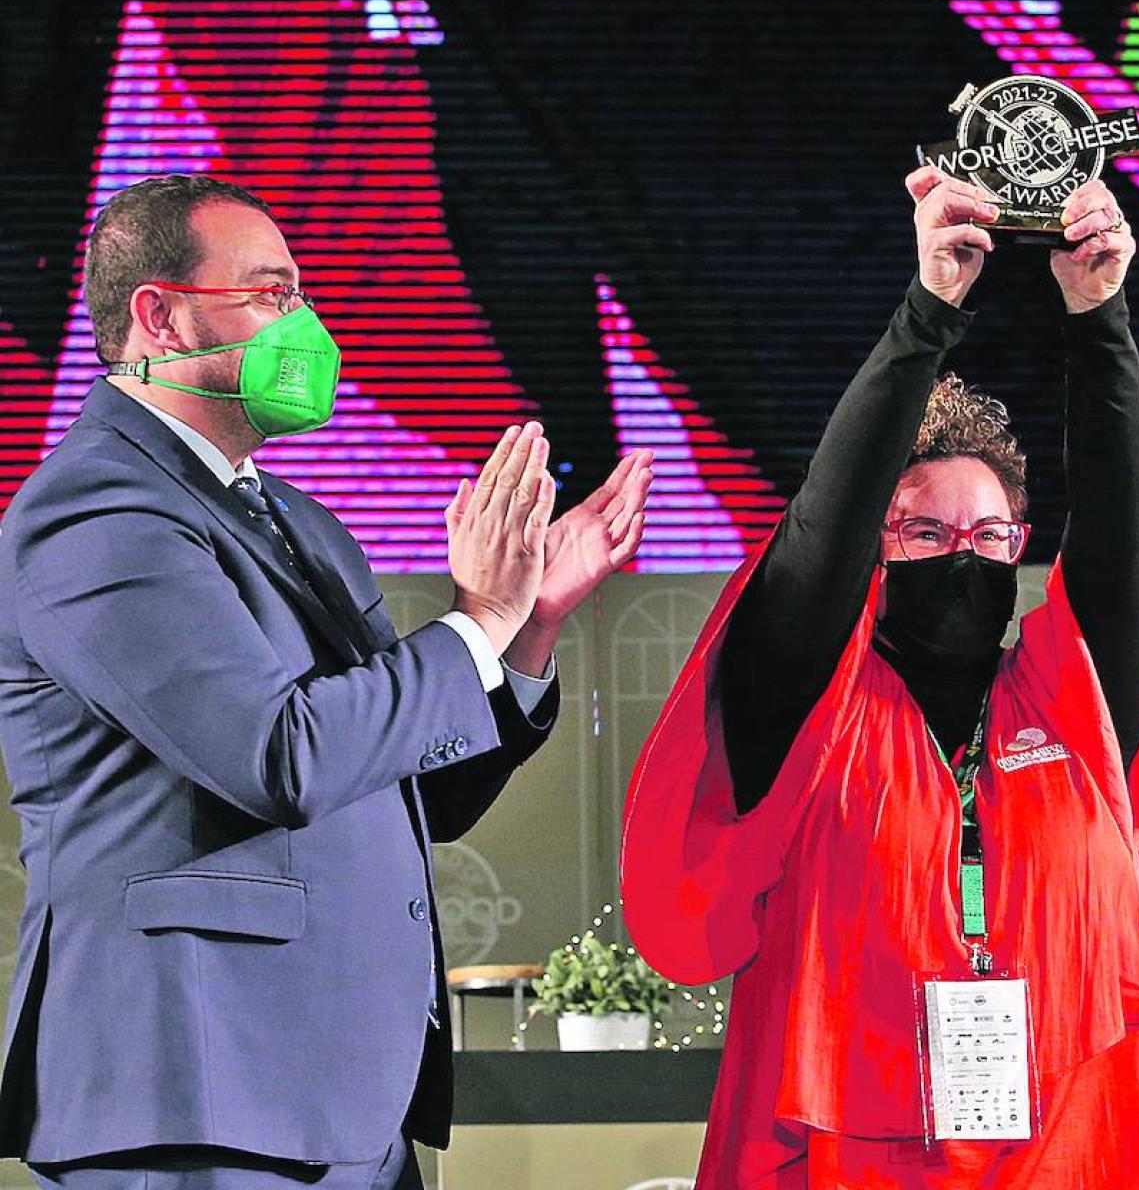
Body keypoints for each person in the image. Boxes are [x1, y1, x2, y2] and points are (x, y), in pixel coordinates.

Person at [0, 174, 653, 1188]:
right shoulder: (95, 510)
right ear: (159, 314)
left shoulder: (302, 522)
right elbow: (279, 757)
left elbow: (418, 791)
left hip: (340, 1102)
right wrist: (476, 618)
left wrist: (530, 627)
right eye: (269, 295)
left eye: (303, 298)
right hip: (195, 1095)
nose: (303, 327)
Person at [619, 167, 1139, 1189]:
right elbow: (817, 534)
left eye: (992, 535)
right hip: (853, 1151)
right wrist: (928, 307)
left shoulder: (1068, 701)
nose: (963, 556)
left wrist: (1098, 317)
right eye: (924, 531)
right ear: (875, 544)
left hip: (1067, 1151)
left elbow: (1125, 541)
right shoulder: (814, 705)